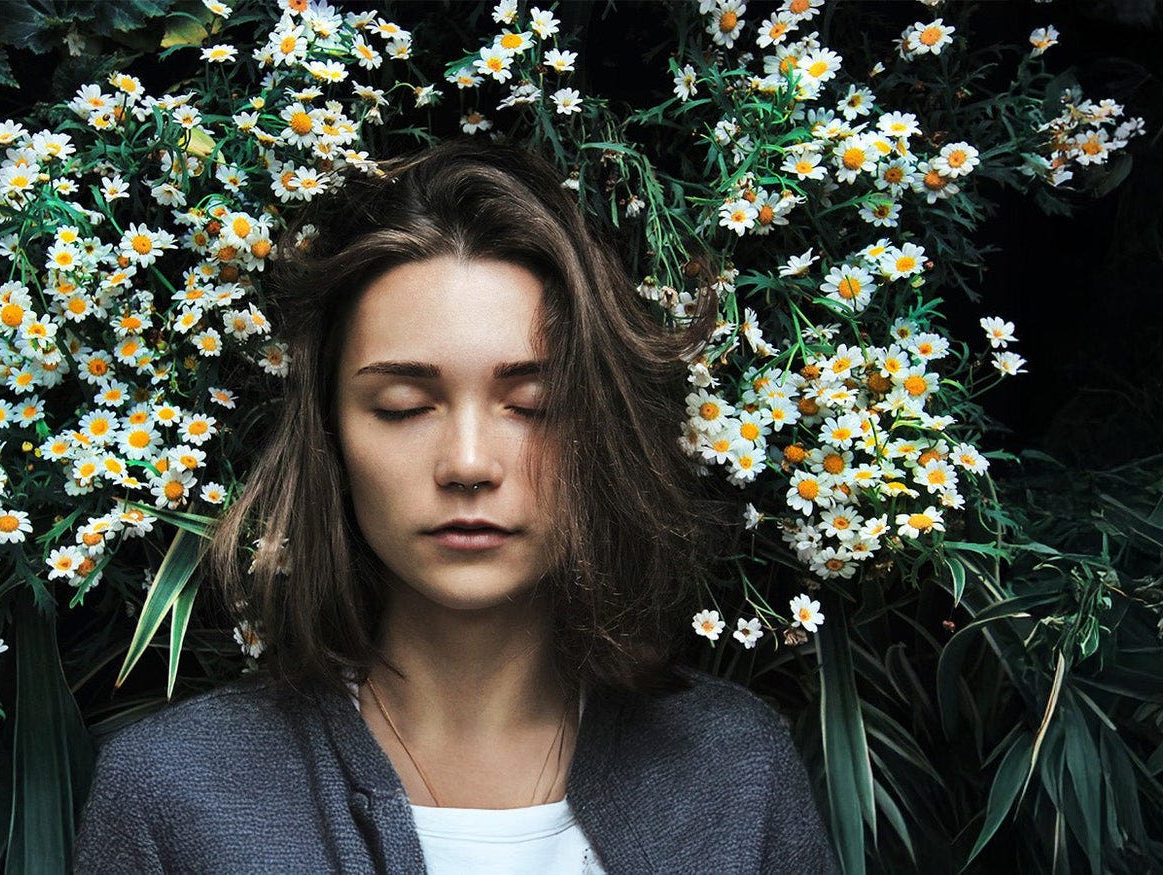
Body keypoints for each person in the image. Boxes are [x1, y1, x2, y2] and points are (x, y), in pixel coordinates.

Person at [72, 139, 837, 873]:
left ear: (604, 429)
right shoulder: (170, 794)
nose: (469, 463)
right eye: (405, 405)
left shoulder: (734, 771)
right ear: (332, 436)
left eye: (532, 404)